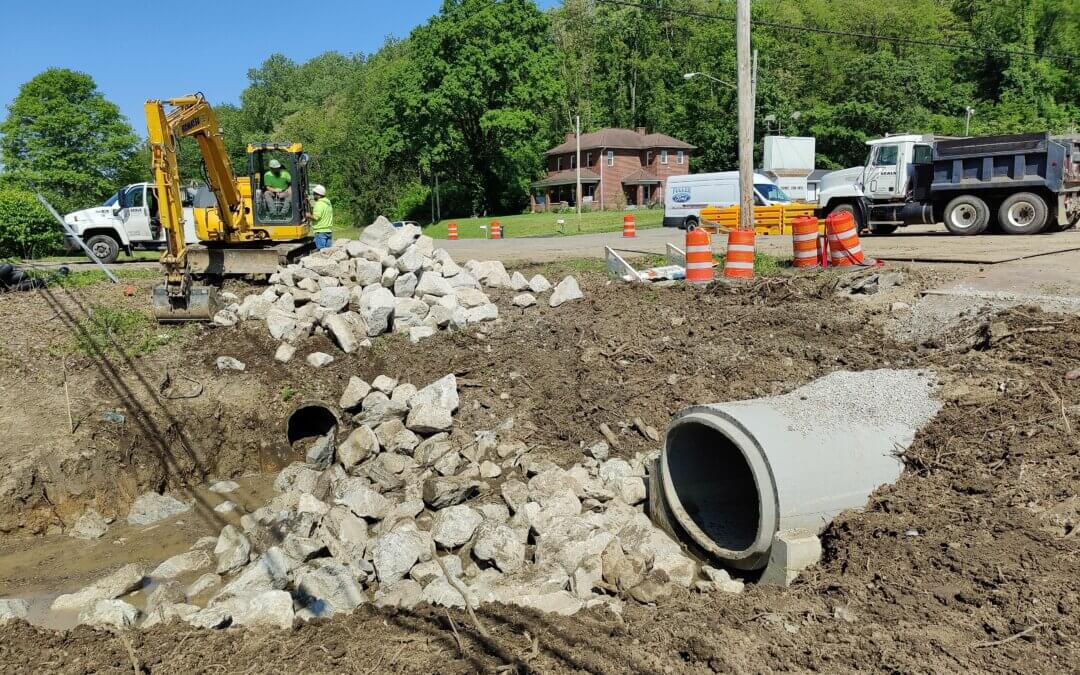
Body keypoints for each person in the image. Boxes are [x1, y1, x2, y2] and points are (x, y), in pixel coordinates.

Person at [311, 184, 334, 249]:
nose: (313, 195)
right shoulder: (327, 202)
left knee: (321, 252)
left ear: (318, 194)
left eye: (314, 193)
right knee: (328, 251)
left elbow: (315, 217)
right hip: (328, 231)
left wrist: (308, 215)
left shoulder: (319, 204)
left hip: (320, 232)